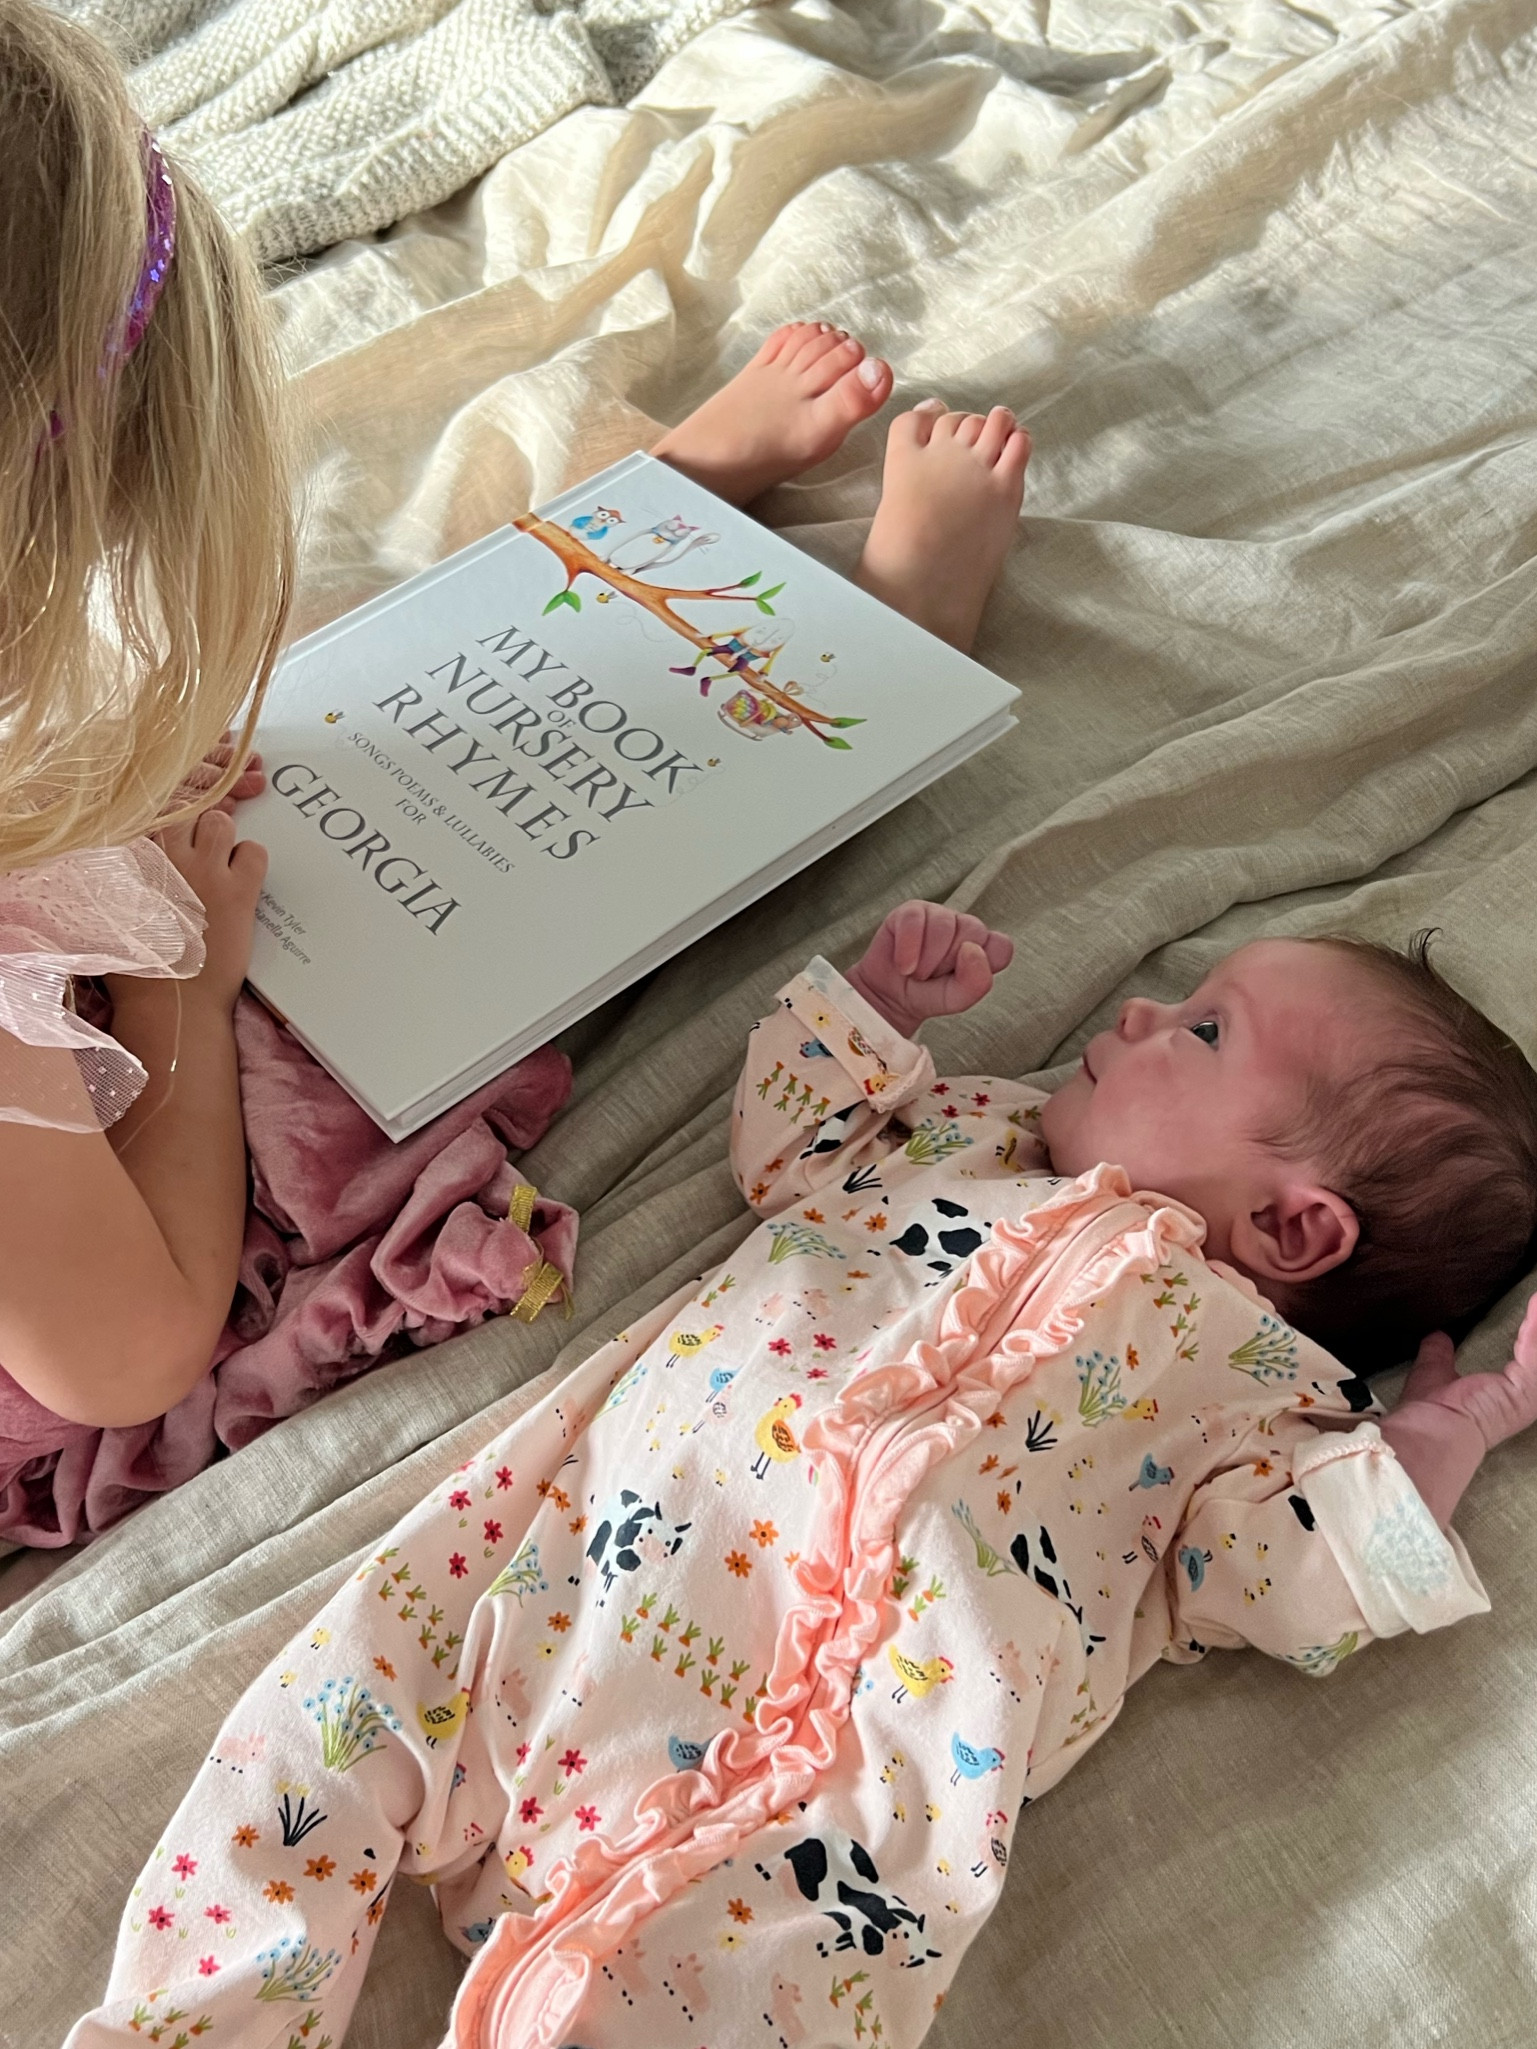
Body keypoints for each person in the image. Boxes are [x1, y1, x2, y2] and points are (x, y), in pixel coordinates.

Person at [66, 892, 1537, 2048]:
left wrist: (1444, 1439)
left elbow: (1282, 1580)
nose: (1145, 1007)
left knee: (719, 2001)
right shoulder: (969, 1134)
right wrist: (875, 1011)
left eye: (1205, 1031)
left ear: (1296, 1229)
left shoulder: (1256, 1387)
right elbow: (790, 1151)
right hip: (557, 1570)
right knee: (315, 1742)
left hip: (831, 1801)